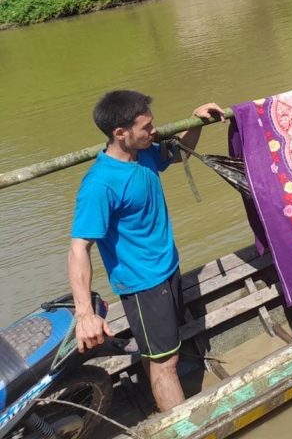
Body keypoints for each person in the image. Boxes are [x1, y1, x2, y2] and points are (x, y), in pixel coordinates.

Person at [69, 91, 225, 412]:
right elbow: (79, 248)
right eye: (146, 127)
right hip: (143, 284)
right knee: (166, 363)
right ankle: (182, 427)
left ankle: (160, 401)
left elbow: (177, 154)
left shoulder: (143, 154)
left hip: (168, 267)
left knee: (158, 354)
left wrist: (196, 120)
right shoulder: (100, 185)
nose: (154, 131)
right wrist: (84, 313)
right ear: (120, 133)